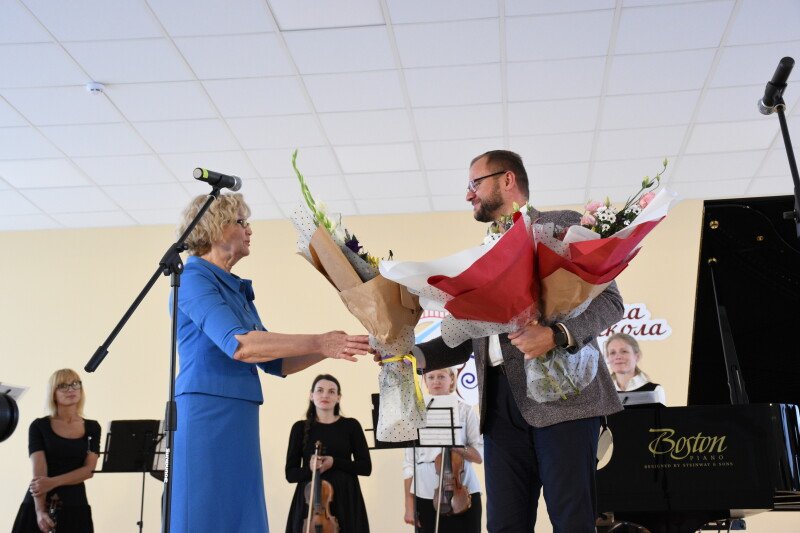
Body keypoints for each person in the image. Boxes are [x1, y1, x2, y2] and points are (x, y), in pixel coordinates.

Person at [410, 150, 624, 533]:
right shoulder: (480, 255)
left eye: (475, 183)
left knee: (573, 524)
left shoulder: (562, 226)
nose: (468, 194)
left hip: (566, 400)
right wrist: (408, 355)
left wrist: (556, 335)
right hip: (499, 410)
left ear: (507, 180)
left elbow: (610, 302)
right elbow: (470, 339)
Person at [170, 193, 372, 533]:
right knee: (205, 513)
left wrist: (332, 347)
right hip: (206, 412)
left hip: (240, 411)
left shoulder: (235, 288)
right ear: (216, 228)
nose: (249, 230)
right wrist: (319, 341)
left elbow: (277, 363)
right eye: (241, 222)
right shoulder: (194, 279)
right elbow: (241, 346)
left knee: (240, 512)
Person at [12, 369, 101, 533]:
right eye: (63, 386)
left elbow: (89, 470)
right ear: (53, 393)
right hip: (39, 501)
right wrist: (40, 511)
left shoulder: (93, 427)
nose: (71, 389)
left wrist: (52, 482)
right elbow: (39, 472)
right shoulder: (39, 426)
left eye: (75, 384)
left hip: (75, 503)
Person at [285, 374, 371, 533]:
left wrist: (335, 462)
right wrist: (310, 469)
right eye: (320, 390)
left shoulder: (351, 426)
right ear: (311, 395)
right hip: (310, 505)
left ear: (338, 397)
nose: (325, 395)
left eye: (331, 391)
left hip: (346, 500)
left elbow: (366, 468)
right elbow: (290, 474)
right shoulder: (299, 428)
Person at [402, 367, 483, 533]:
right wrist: (409, 506)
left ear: (451, 379)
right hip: (424, 491)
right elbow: (409, 464)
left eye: (441, 376)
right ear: (425, 381)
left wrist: (456, 446)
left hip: (463, 490)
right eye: (431, 377)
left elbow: (479, 455)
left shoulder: (465, 410)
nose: (436, 381)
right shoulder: (416, 414)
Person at [604, 333, 666, 404]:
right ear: (608, 358)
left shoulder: (655, 390)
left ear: (637, 356)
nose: (618, 357)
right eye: (612, 353)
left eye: (624, 351)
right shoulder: (603, 393)